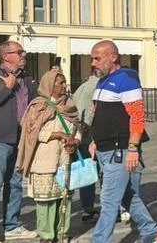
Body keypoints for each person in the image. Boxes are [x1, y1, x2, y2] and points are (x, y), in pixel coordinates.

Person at [87, 40, 157, 243]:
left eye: (97, 58)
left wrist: (132, 149)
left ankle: (100, 240)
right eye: (92, 58)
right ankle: (151, 230)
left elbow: (137, 116)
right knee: (126, 195)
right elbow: (100, 114)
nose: (93, 62)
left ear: (113, 57)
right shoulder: (102, 80)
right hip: (104, 148)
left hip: (118, 149)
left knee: (109, 199)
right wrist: (95, 140)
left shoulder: (127, 79)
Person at [16, 70, 81, 243]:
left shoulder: (70, 105)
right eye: (60, 83)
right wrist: (58, 134)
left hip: (65, 160)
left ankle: (62, 232)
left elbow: (78, 127)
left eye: (65, 82)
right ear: (50, 86)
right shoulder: (38, 106)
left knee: (64, 198)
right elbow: (31, 132)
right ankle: (46, 235)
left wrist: (74, 141)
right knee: (46, 201)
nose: (64, 86)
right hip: (44, 161)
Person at [0, 40, 39, 241]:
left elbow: (36, 105)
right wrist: (6, 90)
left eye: (23, 51)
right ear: (6, 56)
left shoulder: (27, 79)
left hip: (21, 140)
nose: (23, 55)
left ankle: (12, 226)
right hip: (0, 140)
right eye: (18, 52)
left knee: (16, 184)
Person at [73, 70, 100, 222]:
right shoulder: (98, 86)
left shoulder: (83, 86)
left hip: (82, 135)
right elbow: (92, 111)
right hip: (91, 136)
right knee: (97, 173)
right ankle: (90, 209)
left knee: (87, 173)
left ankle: (87, 209)